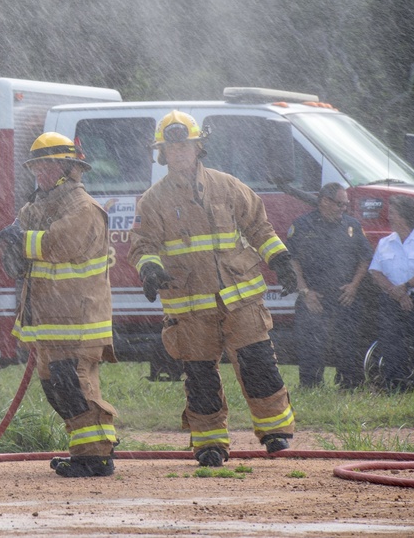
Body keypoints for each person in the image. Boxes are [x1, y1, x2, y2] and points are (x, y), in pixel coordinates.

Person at [127, 110, 297, 468]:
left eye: (185, 146)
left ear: (198, 146)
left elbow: (260, 228)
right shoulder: (153, 200)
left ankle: (276, 434)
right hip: (190, 307)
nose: (179, 153)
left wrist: (280, 260)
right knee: (201, 377)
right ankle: (209, 444)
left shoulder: (227, 185)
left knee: (258, 365)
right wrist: (150, 269)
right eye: (171, 148)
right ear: (162, 153)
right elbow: (143, 245)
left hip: (241, 298)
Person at [0, 132, 119, 478]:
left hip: (80, 317)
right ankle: (86, 453)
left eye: (46, 165)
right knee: (56, 386)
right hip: (50, 319)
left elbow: (57, 244)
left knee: (74, 382)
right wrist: (7, 241)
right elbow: (23, 247)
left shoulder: (83, 208)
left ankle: (97, 457)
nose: (39, 173)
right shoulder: (35, 208)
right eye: (36, 167)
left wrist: (21, 240)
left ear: (67, 168)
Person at [286, 183, 373, 389]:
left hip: (345, 296)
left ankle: (350, 384)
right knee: (311, 343)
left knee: (349, 342)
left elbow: (365, 258)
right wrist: (305, 291)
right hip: (314, 296)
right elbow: (292, 260)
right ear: (325, 201)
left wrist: (354, 286)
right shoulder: (302, 225)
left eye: (346, 205)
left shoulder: (352, 226)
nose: (343, 209)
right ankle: (311, 385)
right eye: (340, 204)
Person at [367, 195, 414, 390]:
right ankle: (396, 386)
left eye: (393, 213)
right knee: (392, 344)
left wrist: (406, 287)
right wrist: (396, 293)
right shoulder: (385, 242)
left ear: (404, 215)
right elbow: (375, 271)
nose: (389, 217)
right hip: (392, 301)